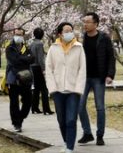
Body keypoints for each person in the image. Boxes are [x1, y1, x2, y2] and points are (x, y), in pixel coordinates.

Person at [45, 22, 86, 153]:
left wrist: (79, 89)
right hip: (57, 90)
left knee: (71, 119)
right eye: (66, 31)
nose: (69, 33)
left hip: (73, 90)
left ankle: (70, 147)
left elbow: (82, 69)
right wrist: (52, 88)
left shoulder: (79, 47)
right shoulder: (53, 48)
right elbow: (49, 69)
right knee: (61, 120)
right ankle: (66, 140)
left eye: (71, 30)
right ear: (60, 34)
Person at [77, 11, 116, 146]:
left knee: (100, 107)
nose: (85, 24)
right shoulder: (82, 38)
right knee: (79, 105)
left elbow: (111, 56)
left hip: (99, 77)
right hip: (84, 77)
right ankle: (87, 133)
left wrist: (110, 74)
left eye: (88, 22)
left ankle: (100, 135)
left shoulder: (104, 38)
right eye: (84, 22)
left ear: (96, 24)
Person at [5, 28, 34, 132]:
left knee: (28, 100)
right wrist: (25, 59)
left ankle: (21, 117)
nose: (18, 36)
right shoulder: (9, 47)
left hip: (25, 77)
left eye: (20, 34)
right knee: (14, 102)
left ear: (23, 35)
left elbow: (32, 59)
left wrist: (21, 59)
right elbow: (13, 61)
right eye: (17, 34)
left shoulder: (26, 47)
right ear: (13, 34)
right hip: (13, 78)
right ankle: (16, 123)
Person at [29, 27, 53, 114]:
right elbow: (40, 58)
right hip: (38, 67)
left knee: (37, 88)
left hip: (32, 67)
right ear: (42, 35)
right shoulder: (39, 44)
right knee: (44, 89)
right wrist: (43, 69)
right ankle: (46, 109)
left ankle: (34, 107)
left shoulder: (32, 43)